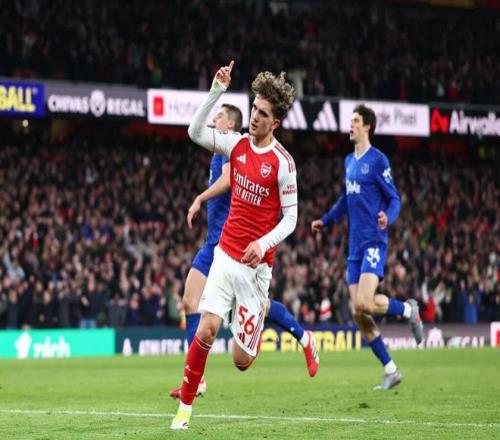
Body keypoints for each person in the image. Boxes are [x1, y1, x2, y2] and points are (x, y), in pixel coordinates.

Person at [171, 61, 299, 430]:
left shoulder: (283, 164)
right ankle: (184, 411)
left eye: (263, 114)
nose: (255, 117)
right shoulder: (237, 145)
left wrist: (263, 242)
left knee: (241, 361)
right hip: (225, 255)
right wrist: (217, 90)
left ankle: (257, 314)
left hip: (256, 269)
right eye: (254, 109)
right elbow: (195, 131)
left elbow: (290, 219)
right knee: (206, 328)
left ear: (275, 123)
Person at [311, 104, 424, 391]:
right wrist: (325, 220)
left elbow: (394, 198)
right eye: (351, 120)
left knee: (364, 303)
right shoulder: (349, 161)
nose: (350, 125)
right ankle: (391, 370)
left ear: (367, 126)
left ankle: (408, 310)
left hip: (374, 240)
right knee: (359, 313)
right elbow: (344, 200)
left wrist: (388, 217)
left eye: (355, 121)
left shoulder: (378, 160)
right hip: (354, 248)